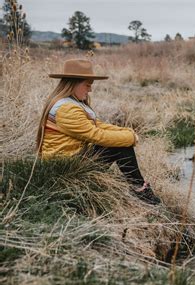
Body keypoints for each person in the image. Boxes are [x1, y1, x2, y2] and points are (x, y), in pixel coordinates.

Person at [36, 59, 161, 205]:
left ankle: (138, 187)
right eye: (87, 85)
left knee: (120, 141)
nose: (90, 90)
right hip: (64, 167)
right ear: (74, 83)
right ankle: (140, 189)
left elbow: (98, 125)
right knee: (120, 146)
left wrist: (127, 132)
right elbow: (96, 135)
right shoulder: (66, 109)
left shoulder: (69, 102)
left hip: (71, 158)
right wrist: (130, 138)